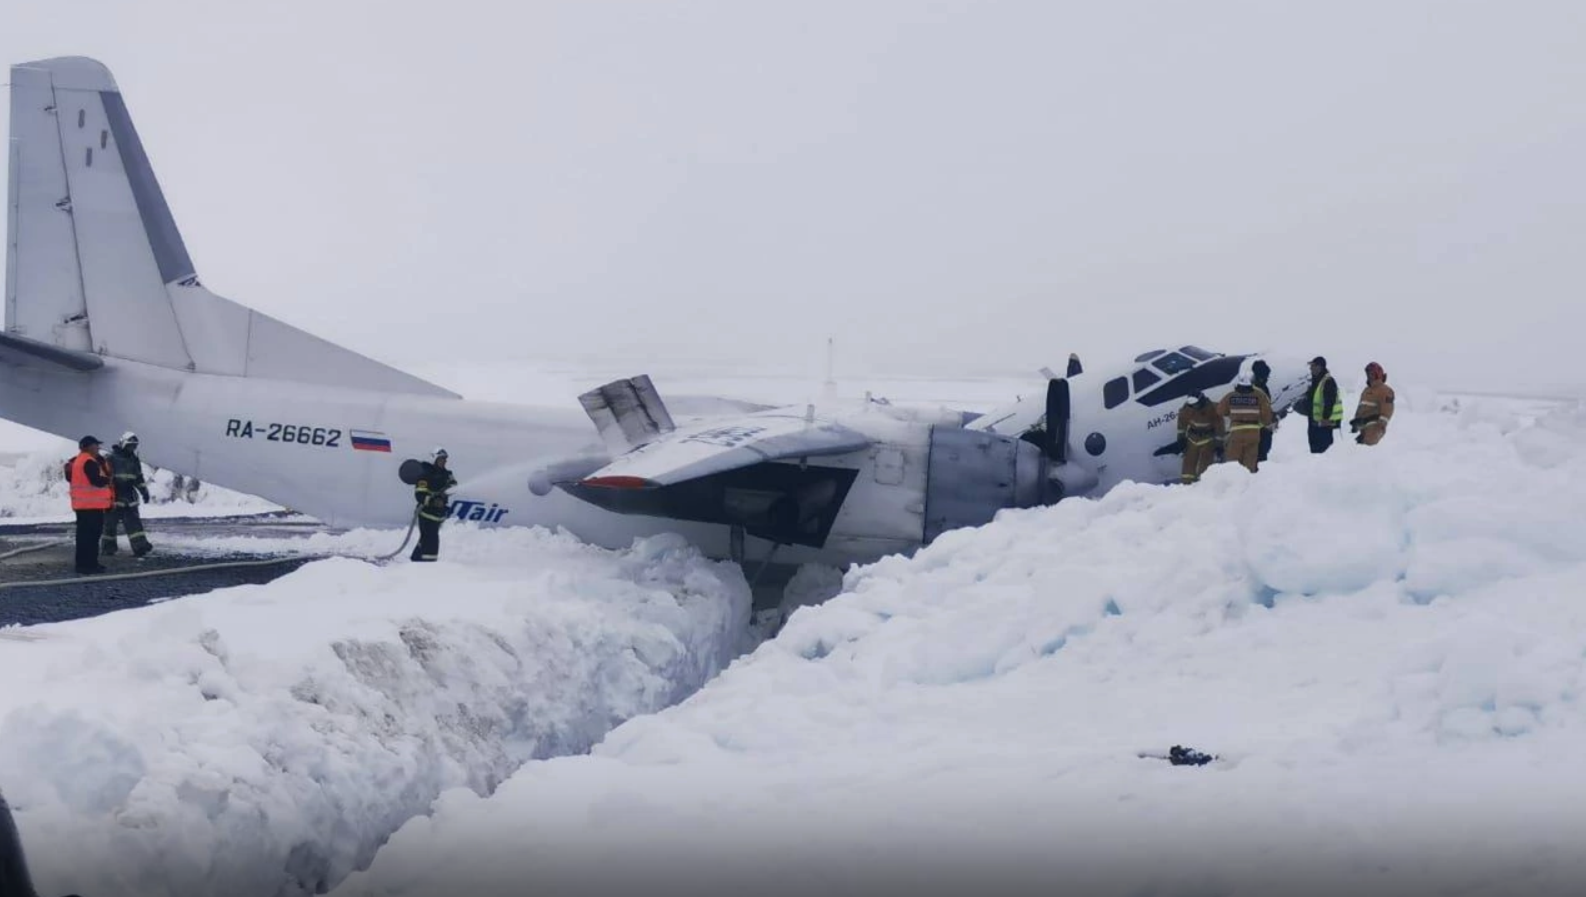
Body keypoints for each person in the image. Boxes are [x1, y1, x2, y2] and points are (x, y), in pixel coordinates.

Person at [66, 435, 114, 574]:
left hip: (83, 506)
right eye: (96, 445)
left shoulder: (79, 461)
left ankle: (83, 564)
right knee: (91, 537)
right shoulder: (89, 461)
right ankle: (90, 565)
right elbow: (96, 481)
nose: (98, 447)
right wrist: (107, 480)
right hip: (91, 506)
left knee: (83, 537)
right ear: (88, 446)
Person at [102, 431, 154, 557]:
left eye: (134, 446)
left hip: (130, 496)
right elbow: (103, 478)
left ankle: (140, 547)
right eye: (130, 445)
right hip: (114, 497)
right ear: (123, 444)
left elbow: (138, 478)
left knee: (134, 525)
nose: (133, 448)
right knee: (109, 525)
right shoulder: (110, 458)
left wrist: (144, 492)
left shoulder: (134, 459)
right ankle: (108, 549)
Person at [1216, 372, 1273, 472]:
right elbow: (1267, 416)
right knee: (1250, 461)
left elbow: (1220, 411)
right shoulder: (1259, 396)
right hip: (1253, 433)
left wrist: (1232, 413)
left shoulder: (1230, 396)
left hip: (1236, 433)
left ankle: (1234, 482)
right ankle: (1247, 482)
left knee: (1233, 462)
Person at [411, 447, 457, 562]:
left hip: (438, 514)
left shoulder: (447, 474)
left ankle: (416, 558)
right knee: (431, 539)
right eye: (441, 459)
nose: (444, 462)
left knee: (427, 537)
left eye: (445, 459)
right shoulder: (425, 475)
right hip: (426, 513)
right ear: (434, 459)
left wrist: (449, 489)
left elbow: (454, 485)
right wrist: (434, 501)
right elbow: (420, 495)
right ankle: (428, 565)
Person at [1175, 392, 1224, 483]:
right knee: (1188, 466)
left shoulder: (1213, 408)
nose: (1195, 407)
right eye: (1192, 405)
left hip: (1208, 440)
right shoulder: (1187, 408)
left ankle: (1202, 485)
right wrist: (1180, 440)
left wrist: (1219, 445)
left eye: (1196, 405)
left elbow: (1220, 427)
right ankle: (1186, 485)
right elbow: (1181, 424)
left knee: (1205, 466)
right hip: (1192, 439)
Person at [1299, 356, 1342, 453]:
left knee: (1322, 452)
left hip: (1323, 425)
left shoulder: (1327, 381)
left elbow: (1329, 402)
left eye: (1313, 366)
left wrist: (1325, 419)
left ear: (1320, 367)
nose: (1310, 369)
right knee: (1315, 451)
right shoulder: (1316, 381)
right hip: (1315, 423)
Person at [1351, 361, 1396, 446]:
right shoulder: (1366, 390)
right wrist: (1356, 422)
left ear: (1378, 374)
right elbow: (1360, 407)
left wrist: (1379, 427)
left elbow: (1387, 411)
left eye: (1372, 373)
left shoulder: (1385, 390)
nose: (1369, 376)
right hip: (1363, 428)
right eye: (1368, 374)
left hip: (1374, 429)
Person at [1249, 359, 1277, 463]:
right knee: (1260, 457)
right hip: (1260, 430)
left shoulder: (1251, 386)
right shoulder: (1260, 389)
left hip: (1257, 429)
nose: (1267, 378)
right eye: (1266, 376)